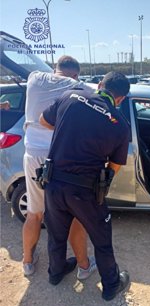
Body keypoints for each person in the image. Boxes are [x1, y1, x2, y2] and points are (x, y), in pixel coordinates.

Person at [39, 71, 130, 300]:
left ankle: (56, 272)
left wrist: (69, 132)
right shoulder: (119, 123)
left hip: (53, 183)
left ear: (99, 85)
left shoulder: (70, 96)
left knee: (56, 233)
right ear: (121, 99)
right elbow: (116, 164)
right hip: (85, 191)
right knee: (101, 238)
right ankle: (111, 285)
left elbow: (43, 120)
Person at [23, 55, 97, 279]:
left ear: (56, 68)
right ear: (75, 74)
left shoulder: (34, 78)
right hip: (61, 158)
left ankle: (27, 262)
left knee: (34, 214)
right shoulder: (79, 87)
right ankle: (83, 267)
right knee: (74, 215)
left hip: (32, 155)